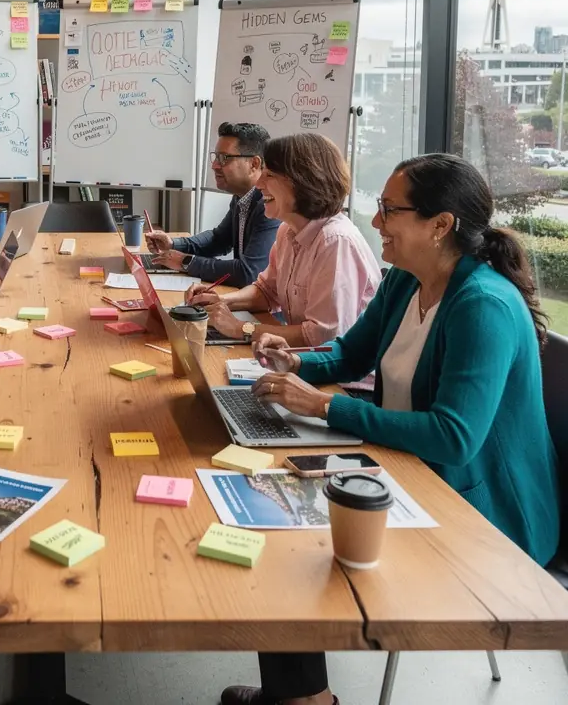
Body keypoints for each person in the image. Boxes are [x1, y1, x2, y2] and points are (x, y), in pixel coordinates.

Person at [221, 154, 561, 705]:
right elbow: (351, 353)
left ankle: (304, 698)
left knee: (288, 536)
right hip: (410, 470)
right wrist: (298, 363)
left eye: (388, 210)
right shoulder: (407, 279)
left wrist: (327, 410)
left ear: (441, 224)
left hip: (483, 513)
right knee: (270, 498)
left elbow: (454, 438)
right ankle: (300, 694)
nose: (375, 222)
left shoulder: (483, 305)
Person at [188, 132, 380, 345]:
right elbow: (266, 291)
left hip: (335, 377)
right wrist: (219, 302)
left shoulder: (335, 242)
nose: (259, 183)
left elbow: (323, 337)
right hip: (297, 362)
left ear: (303, 181)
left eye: (269, 175)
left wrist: (240, 328)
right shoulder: (288, 231)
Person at [145, 121, 279, 283]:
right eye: (216, 157)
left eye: (224, 158)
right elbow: (218, 240)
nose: (215, 166)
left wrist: (186, 262)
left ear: (254, 164)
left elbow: (249, 272)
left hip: (263, 306)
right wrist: (173, 244)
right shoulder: (242, 197)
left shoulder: (270, 203)